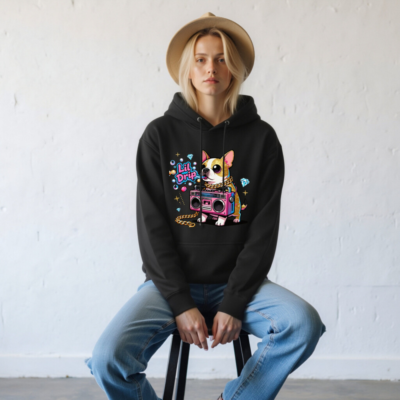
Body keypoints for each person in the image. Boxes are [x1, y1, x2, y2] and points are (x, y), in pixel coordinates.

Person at [84, 12, 326, 400]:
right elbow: (152, 229)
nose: (211, 68)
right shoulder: (159, 135)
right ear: (188, 68)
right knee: (107, 359)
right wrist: (180, 303)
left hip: (240, 285)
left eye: (221, 59)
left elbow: (263, 232)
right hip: (169, 286)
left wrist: (234, 301)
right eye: (201, 59)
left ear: (235, 69)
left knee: (303, 324)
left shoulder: (263, 139)